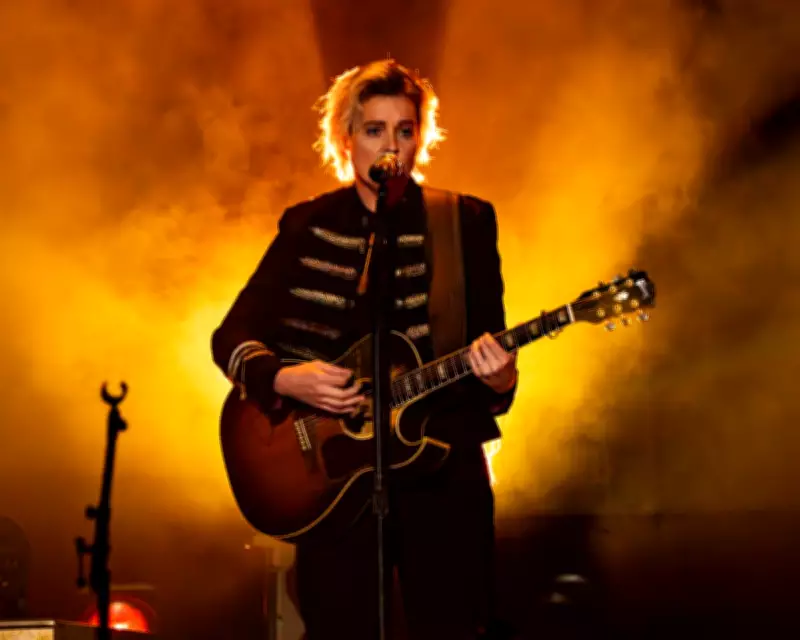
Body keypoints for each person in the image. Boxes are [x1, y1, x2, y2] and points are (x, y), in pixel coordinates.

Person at [212, 59, 519, 640]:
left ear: (421, 138)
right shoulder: (307, 225)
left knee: (455, 627)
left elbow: (490, 354)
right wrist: (285, 379)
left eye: (405, 129)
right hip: (333, 480)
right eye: (375, 130)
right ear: (347, 137)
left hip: (443, 471)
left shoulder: (465, 221)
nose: (391, 146)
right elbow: (230, 337)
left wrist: (501, 380)